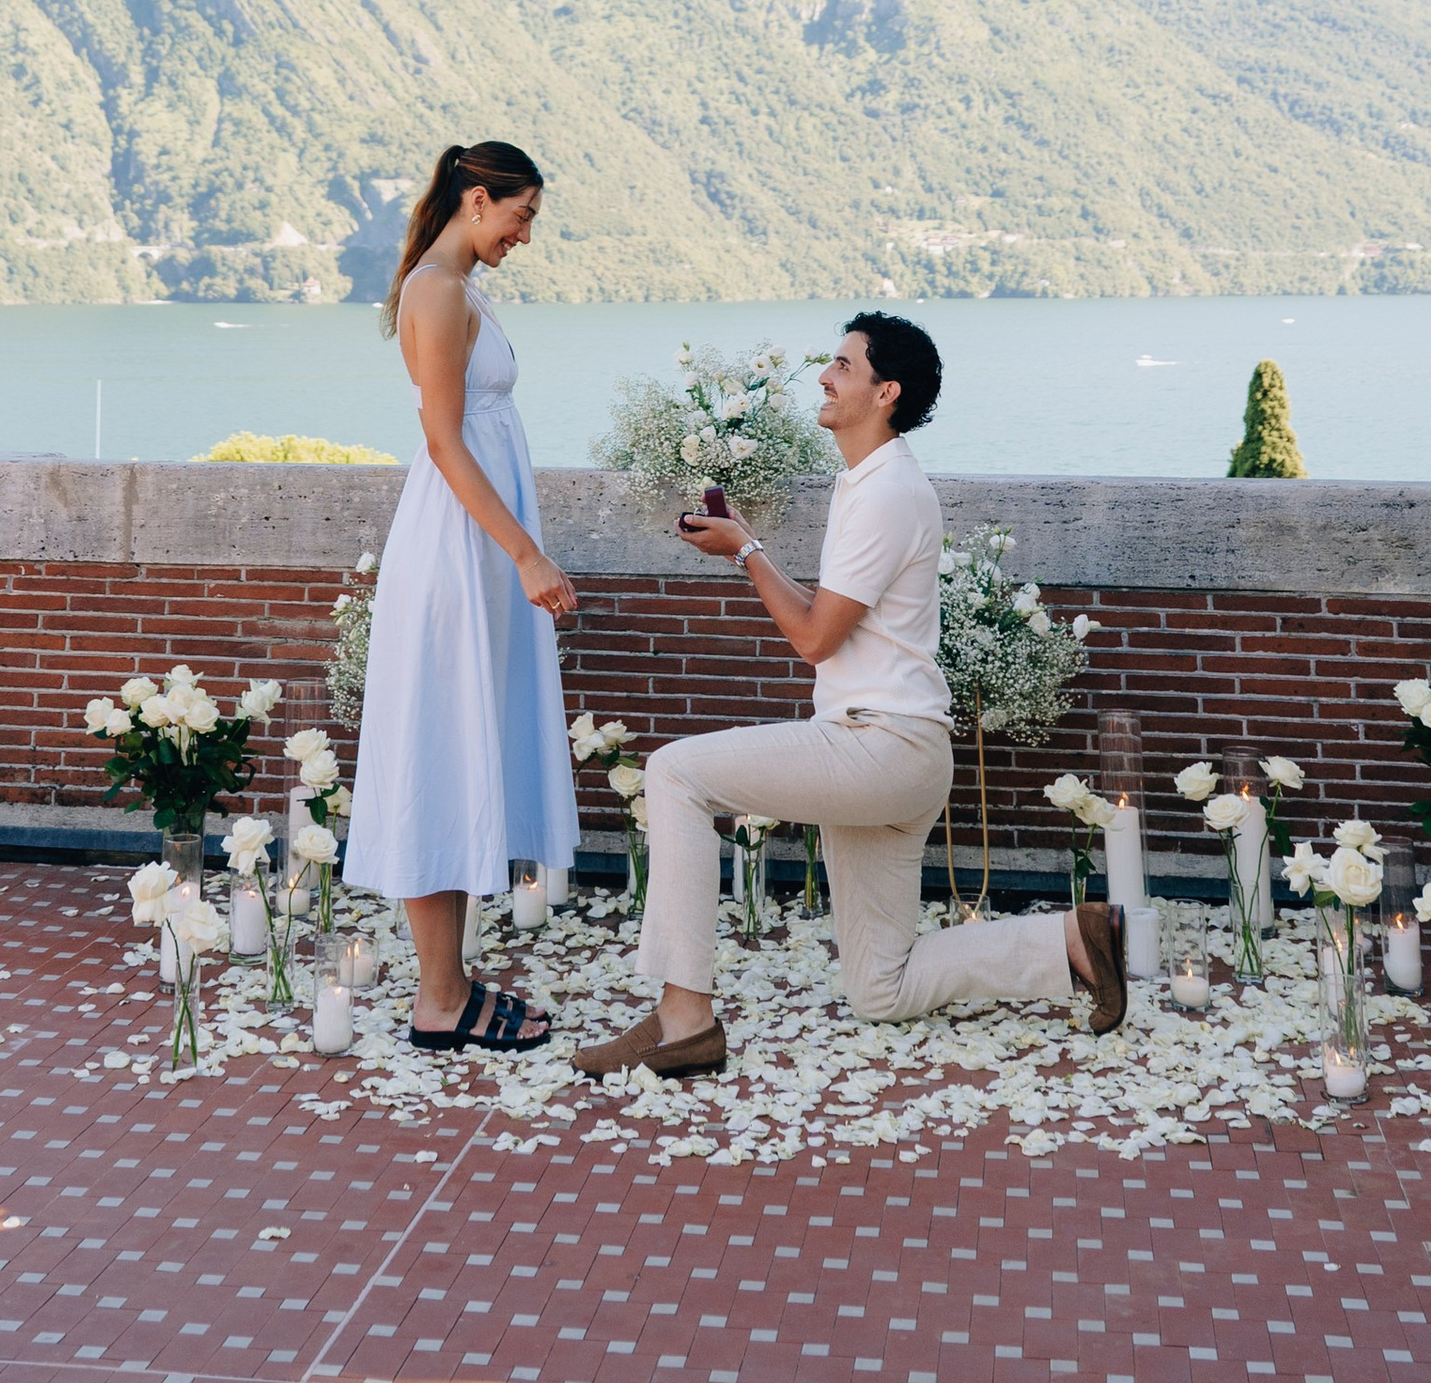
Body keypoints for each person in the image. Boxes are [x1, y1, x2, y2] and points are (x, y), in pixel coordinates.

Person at [574, 311, 1126, 1077]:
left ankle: (685, 1017)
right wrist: (751, 550)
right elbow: (831, 615)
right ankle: (1071, 939)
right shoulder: (869, 480)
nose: (824, 377)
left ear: (885, 391)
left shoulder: (887, 492)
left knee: (674, 772)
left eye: (842, 365)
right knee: (882, 987)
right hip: (897, 754)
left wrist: (748, 553)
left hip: (879, 748)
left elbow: (812, 639)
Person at [342, 138, 580, 1052]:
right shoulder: (436, 292)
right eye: (521, 216)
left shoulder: (459, 288)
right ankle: (437, 1000)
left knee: (462, 751)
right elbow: (445, 442)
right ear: (478, 199)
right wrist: (526, 556)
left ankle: (451, 981)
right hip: (459, 552)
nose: (525, 235)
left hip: (475, 549)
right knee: (439, 754)